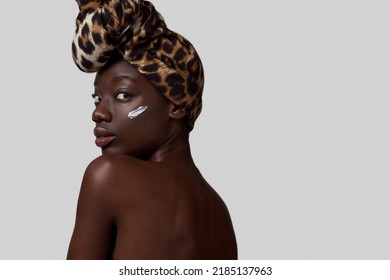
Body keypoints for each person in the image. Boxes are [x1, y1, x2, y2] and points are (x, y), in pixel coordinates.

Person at [67, 0, 237, 260]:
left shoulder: (109, 177)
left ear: (176, 104)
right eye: (97, 98)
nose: (98, 112)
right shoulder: (218, 213)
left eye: (123, 95)